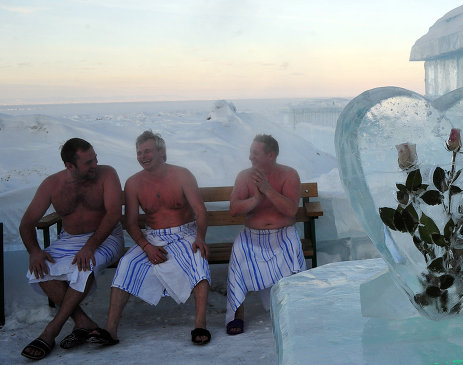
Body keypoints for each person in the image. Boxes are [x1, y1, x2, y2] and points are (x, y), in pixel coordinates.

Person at [89, 131, 211, 346]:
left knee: (198, 259)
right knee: (126, 264)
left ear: (161, 152)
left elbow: (200, 210)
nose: (143, 156)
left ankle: (200, 323)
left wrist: (200, 237)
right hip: (153, 237)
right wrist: (146, 247)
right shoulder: (134, 183)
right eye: (139, 153)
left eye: (147, 151)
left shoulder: (182, 175)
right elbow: (131, 222)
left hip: (184, 233)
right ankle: (110, 329)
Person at [18, 138, 124, 360]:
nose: (95, 164)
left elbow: (114, 213)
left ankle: (51, 330)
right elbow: (26, 223)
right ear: (70, 166)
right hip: (69, 239)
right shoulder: (52, 185)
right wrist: (35, 252)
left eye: (95, 158)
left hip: (105, 236)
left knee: (84, 266)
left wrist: (90, 246)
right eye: (88, 162)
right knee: (40, 268)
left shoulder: (107, 174)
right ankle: (83, 322)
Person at [225, 134, 305, 335]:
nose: (250, 157)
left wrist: (268, 190)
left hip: (282, 234)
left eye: (255, 153)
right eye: (250, 152)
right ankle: (237, 314)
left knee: (292, 248)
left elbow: (291, 210)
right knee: (238, 252)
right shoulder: (244, 176)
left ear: (271, 155)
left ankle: (294, 309)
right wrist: (255, 199)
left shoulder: (289, 175)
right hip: (252, 236)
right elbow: (234, 209)